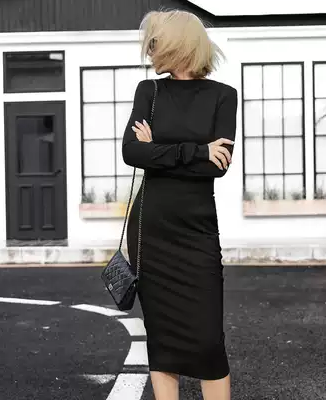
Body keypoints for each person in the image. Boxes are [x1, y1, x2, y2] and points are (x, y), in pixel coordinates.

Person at [122, 9, 238, 400]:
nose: (150, 52)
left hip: (196, 231)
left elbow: (217, 167)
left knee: (209, 341)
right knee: (162, 338)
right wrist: (197, 150)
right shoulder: (149, 92)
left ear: (179, 45)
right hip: (152, 230)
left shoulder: (223, 96)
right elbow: (131, 152)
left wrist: (159, 148)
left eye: (156, 44)